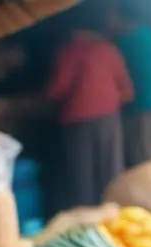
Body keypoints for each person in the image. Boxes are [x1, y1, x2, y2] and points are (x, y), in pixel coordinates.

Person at [46, 6, 133, 208]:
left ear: (73, 30)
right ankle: (115, 214)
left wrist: (43, 96)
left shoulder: (71, 52)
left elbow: (58, 89)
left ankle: (86, 219)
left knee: (82, 175)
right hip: (110, 118)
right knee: (110, 171)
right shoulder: (110, 49)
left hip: (79, 120)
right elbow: (127, 91)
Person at [105, 1, 151, 168]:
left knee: (144, 164)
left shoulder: (123, 44)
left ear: (122, 18)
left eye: (110, 17)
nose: (107, 22)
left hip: (143, 111)